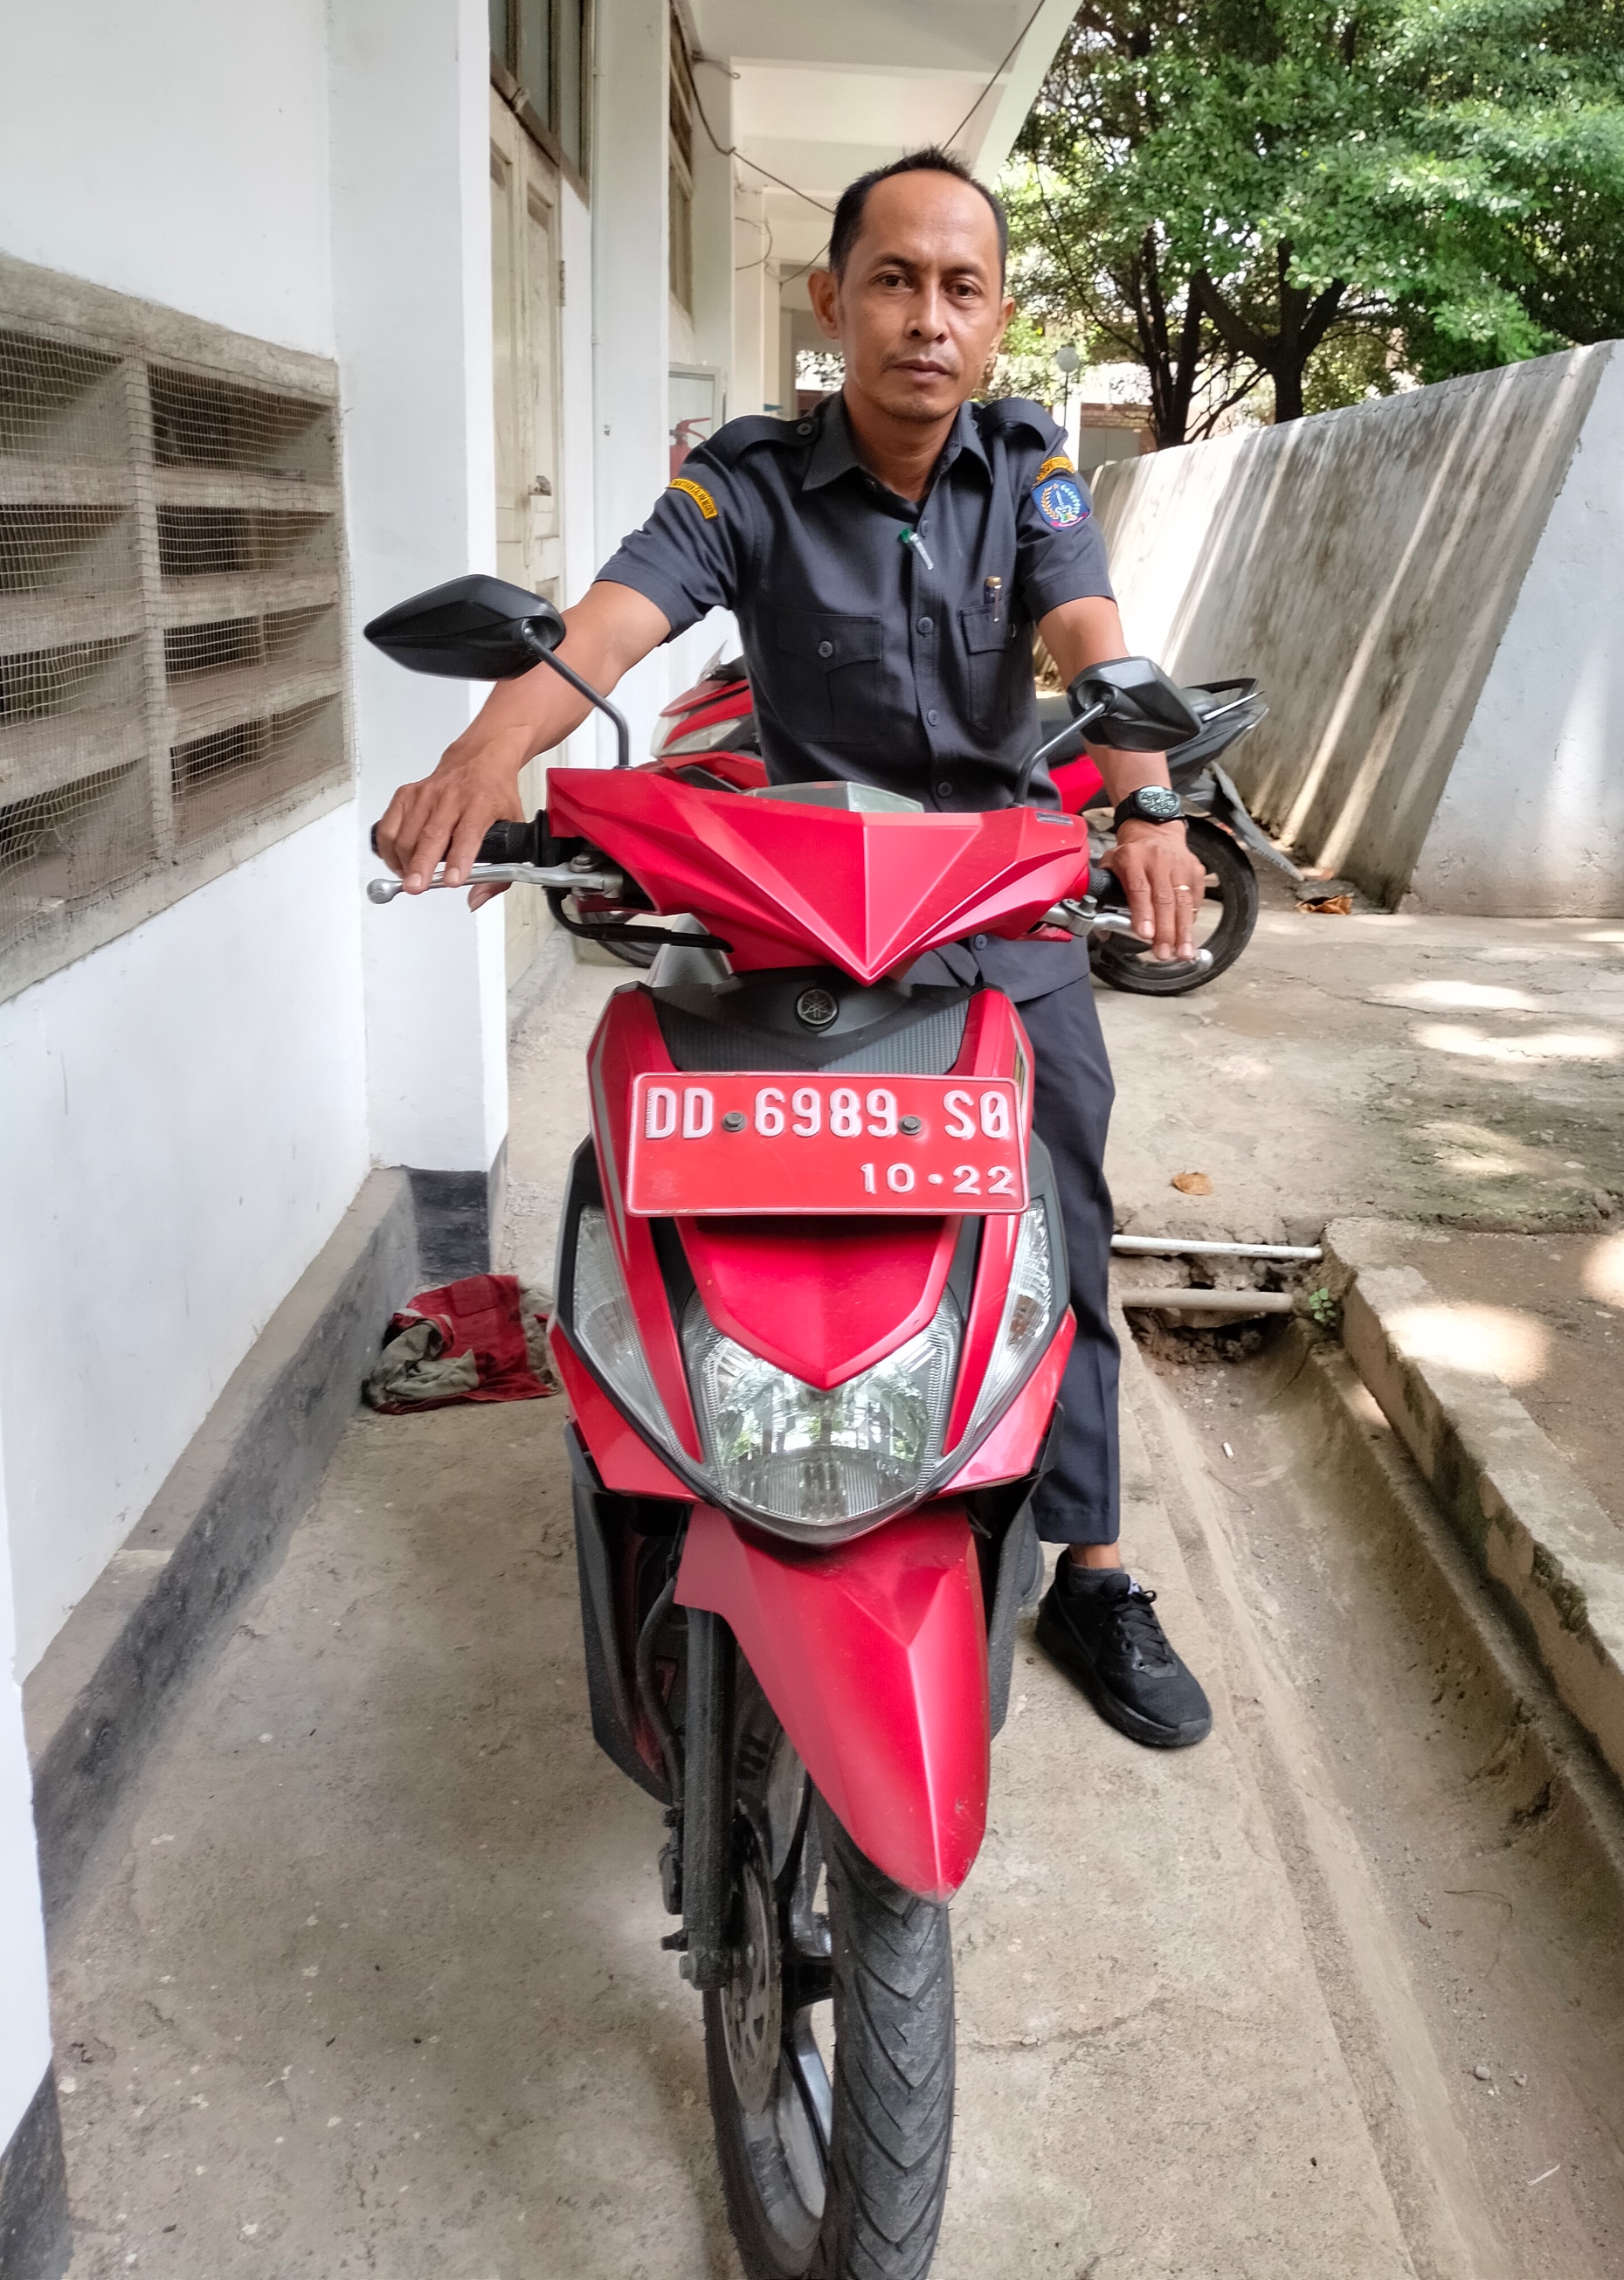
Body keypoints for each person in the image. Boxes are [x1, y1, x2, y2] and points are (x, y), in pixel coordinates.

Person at [376, 145, 1214, 1751]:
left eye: (961, 288)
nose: (926, 319)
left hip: (994, 916)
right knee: (708, 1200)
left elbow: (1093, 643)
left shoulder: (1027, 473)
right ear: (833, 301)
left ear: (997, 317)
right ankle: (700, 1498)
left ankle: (1092, 1569)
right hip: (800, 920)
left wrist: (1149, 805)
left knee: (1056, 1227)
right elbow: (609, 623)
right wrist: (486, 759)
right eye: (893, 281)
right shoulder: (746, 481)